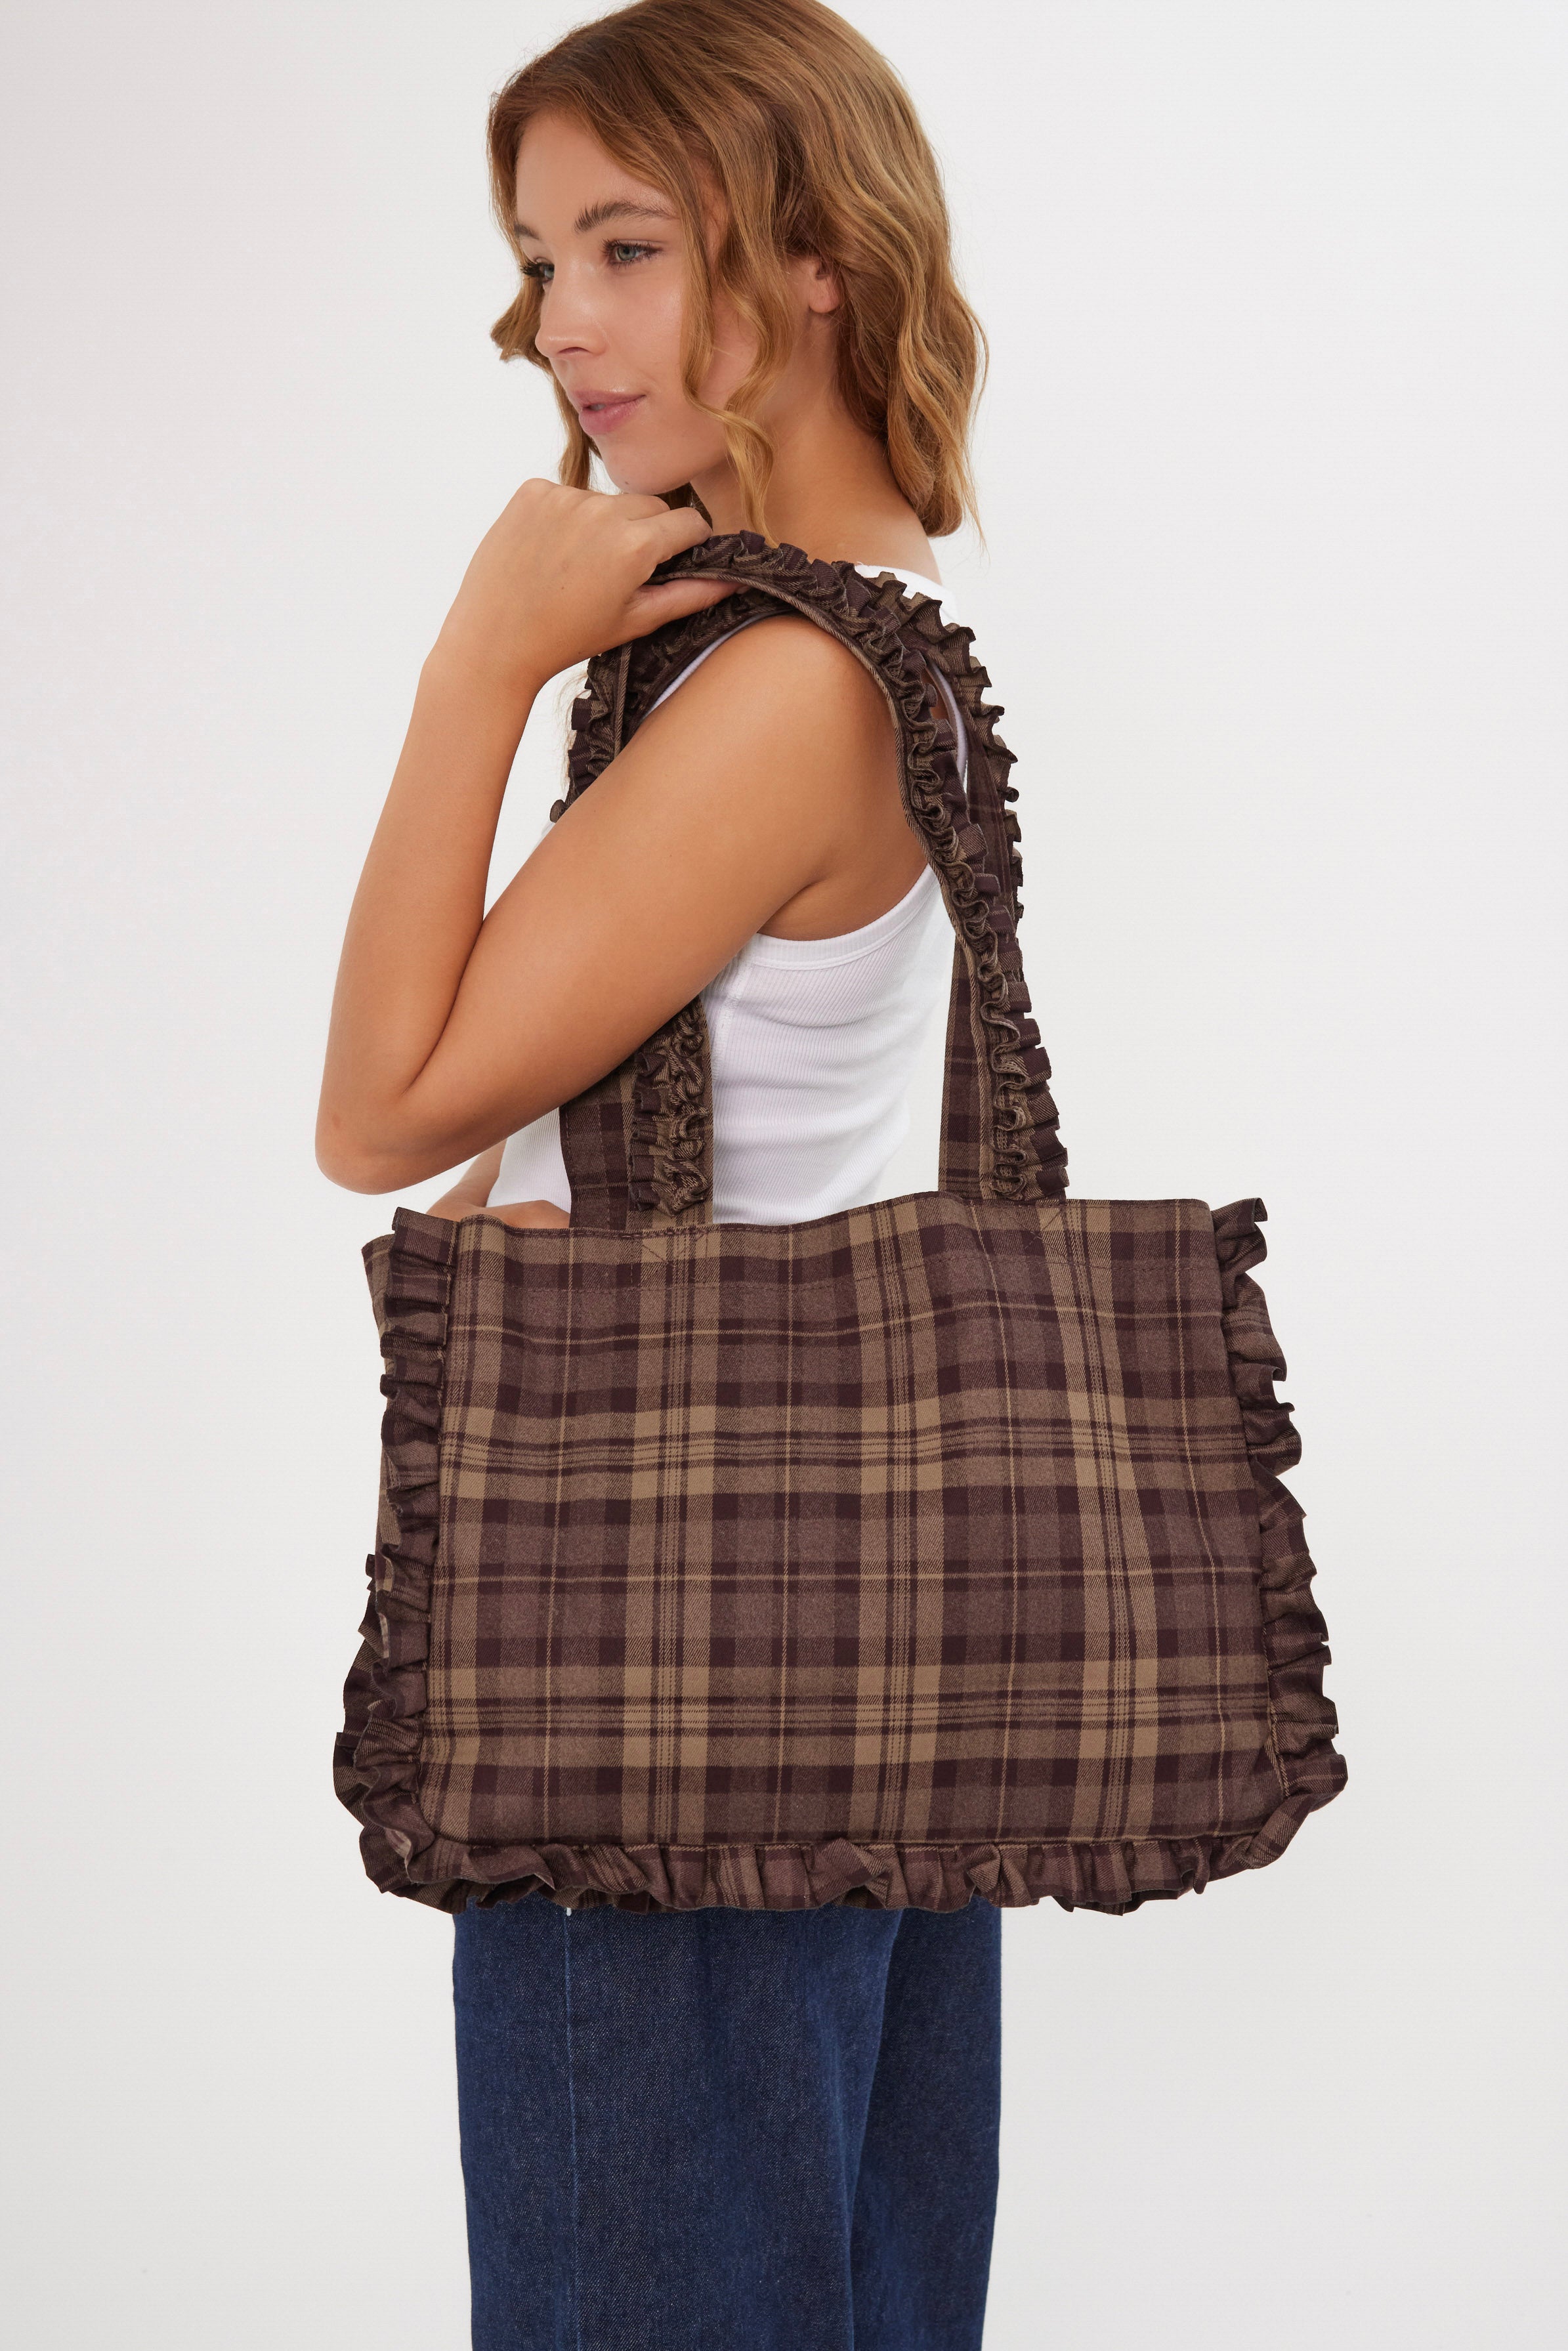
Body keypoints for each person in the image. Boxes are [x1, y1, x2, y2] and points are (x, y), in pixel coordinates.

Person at [317, 3, 1004, 2342]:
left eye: (628, 245)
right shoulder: (878, 638)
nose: (562, 324)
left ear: (814, 255)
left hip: (669, 1659)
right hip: (866, 1654)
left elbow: (376, 1107)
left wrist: (475, 662)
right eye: (540, 261)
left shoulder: (787, 690)